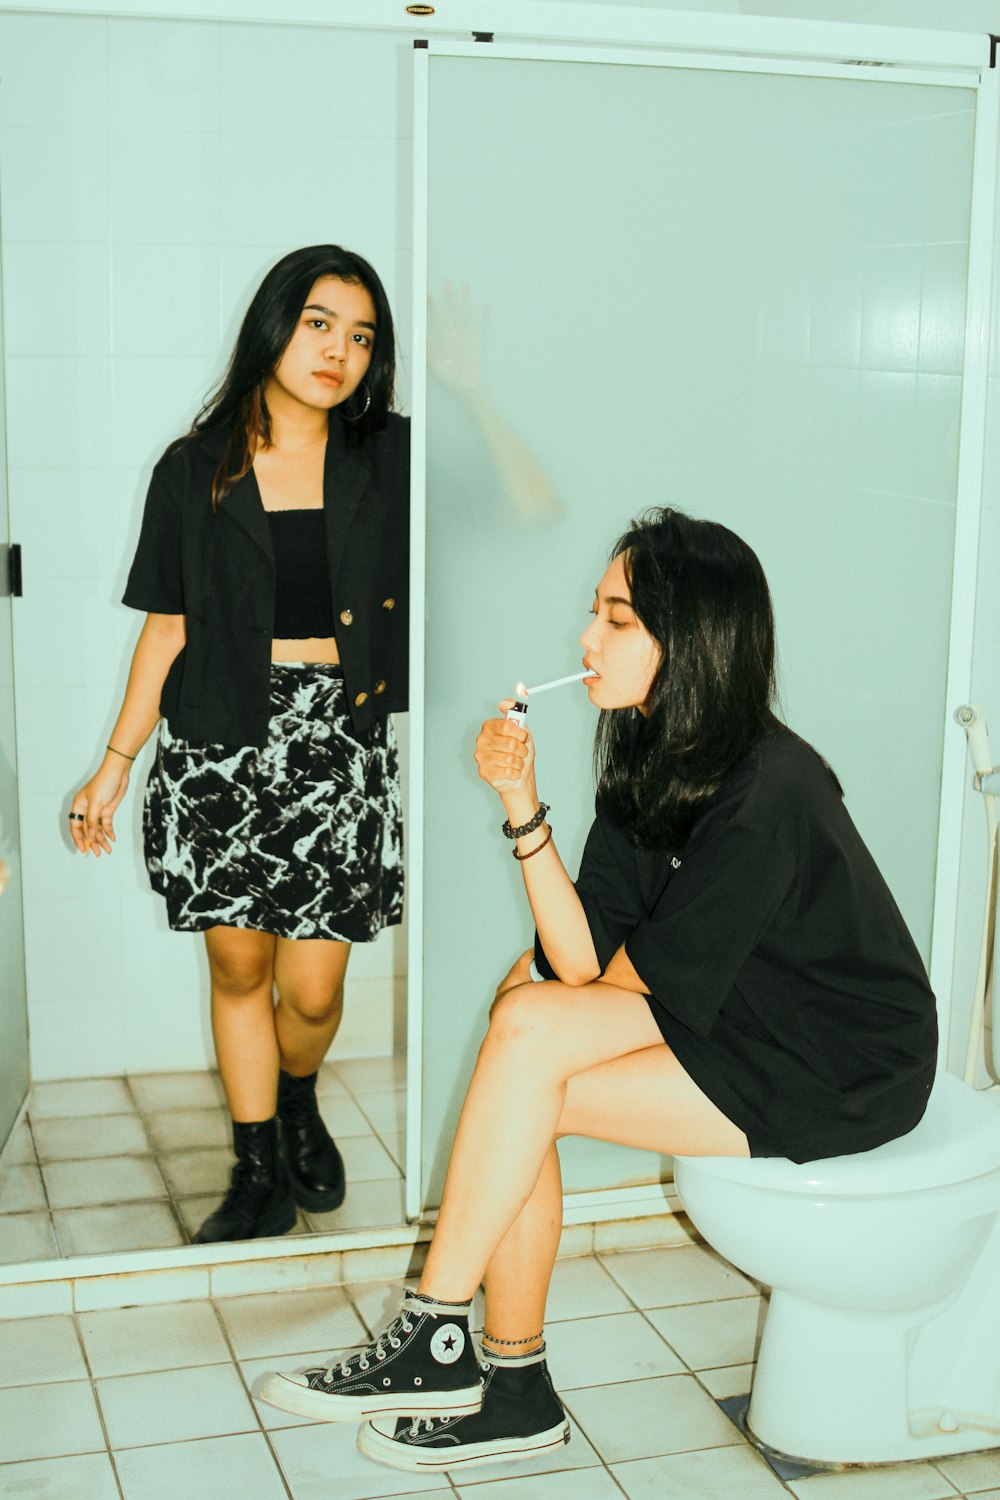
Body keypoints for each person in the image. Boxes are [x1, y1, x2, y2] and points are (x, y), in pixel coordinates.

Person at [255, 505, 938, 1473]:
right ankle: (513, 1386)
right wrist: (519, 804)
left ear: (689, 639)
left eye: (616, 619)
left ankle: (434, 1333)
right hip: (738, 1018)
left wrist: (526, 1008)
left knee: (524, 1036)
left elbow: (594, 992)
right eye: (596, 613)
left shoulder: (767, 794)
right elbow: (579, 962)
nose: (586, 639)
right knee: (522, 1054)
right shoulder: (645, 751)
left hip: (840, 1059)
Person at [69, 245, 408, 1242]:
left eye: (360, 336)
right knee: (236, 971)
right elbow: (166, 627)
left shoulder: (386, 455)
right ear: (274, 327)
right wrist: (116, 764)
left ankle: (297, 1093)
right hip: (220, 741)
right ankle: (256, 1162)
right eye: (319, 324)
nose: (338, 350)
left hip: (339, 748)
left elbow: (520, 514)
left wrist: (470, 392)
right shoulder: (194, 468)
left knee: (313, 986)